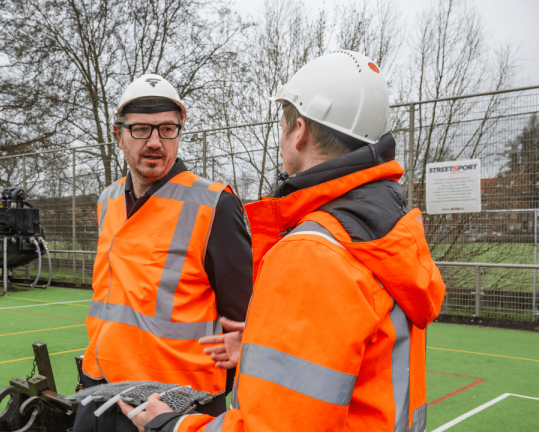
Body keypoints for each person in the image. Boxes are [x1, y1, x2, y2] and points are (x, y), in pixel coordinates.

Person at [121, 51, 446, 431]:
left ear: (300, 131)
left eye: (282, 125)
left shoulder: (312, 252)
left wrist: (170, 426)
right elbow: (348, 360)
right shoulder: (385, 229)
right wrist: (262, 347)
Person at [74, 74, 254, 432]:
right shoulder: (108, 200)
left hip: (173, 405)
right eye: (141, 129)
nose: (155, 142)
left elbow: (244, 319)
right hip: (99, 388)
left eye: (167, 129)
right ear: (118, 135)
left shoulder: (214, 204)